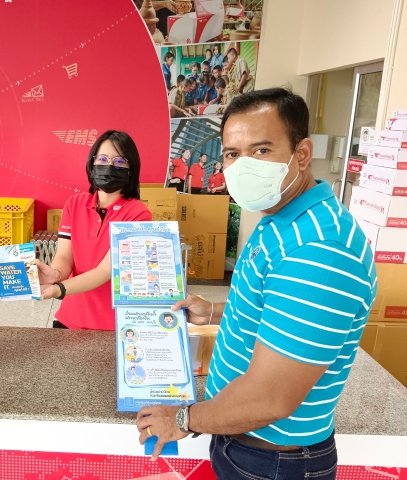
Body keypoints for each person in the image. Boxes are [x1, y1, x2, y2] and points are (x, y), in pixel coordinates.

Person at [135, 89, 376, 480]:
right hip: (244, 441)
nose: (243, 166)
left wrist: (183, 418)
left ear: (302, 153)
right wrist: (213, 312)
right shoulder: (282, 217)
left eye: (261, 150)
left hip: (273, 461)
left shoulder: (320, 250)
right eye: (232, 153)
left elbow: (271, 398)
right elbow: (275, 308)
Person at [36, 131, 151, 330]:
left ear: (131, 169)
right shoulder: (74, 204)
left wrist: (58, 289)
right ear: (92, 163)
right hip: (69, 318)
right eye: (103, 159)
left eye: (119, 161)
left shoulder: (138, 214)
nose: (109, 166)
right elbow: (64, 256)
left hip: (112, 325)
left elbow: (106, 271)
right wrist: (55, 274)